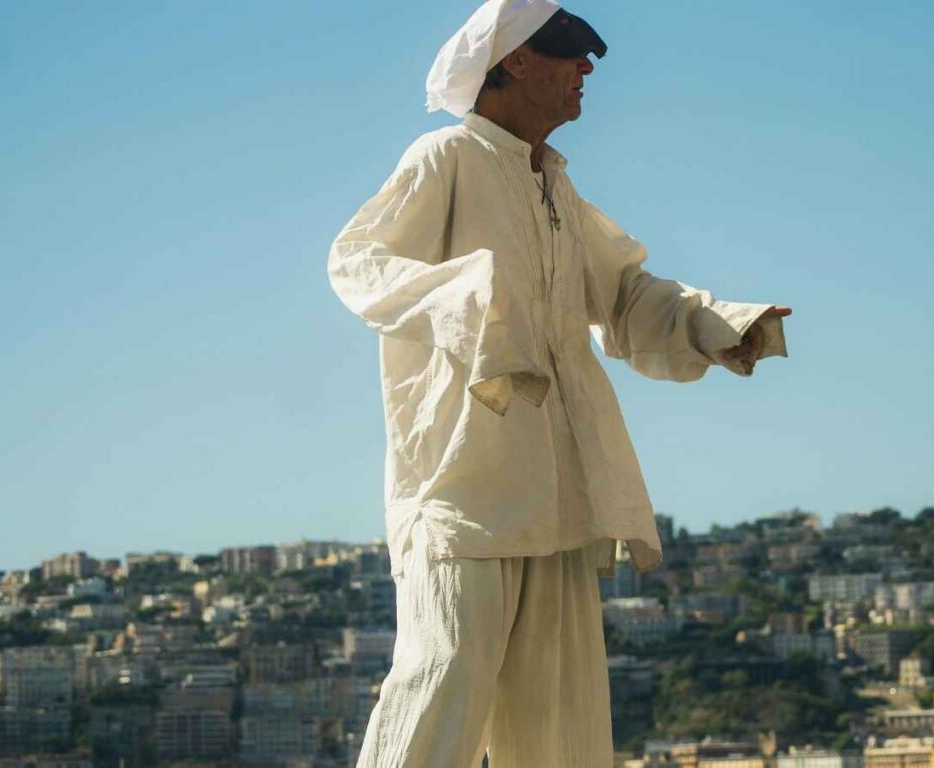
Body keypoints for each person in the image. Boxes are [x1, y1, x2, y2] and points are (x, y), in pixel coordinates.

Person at [327, 2, 792, 765]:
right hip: (465, 492)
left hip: (560, 498)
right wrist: (467, 295)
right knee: (441, 683)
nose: (587, 68)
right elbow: (358, 262)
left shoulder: (557, 193)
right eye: (568, 51)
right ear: (514, 60)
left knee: (562, 726)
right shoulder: (447, 158)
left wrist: (722, 325)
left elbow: (626, 297)